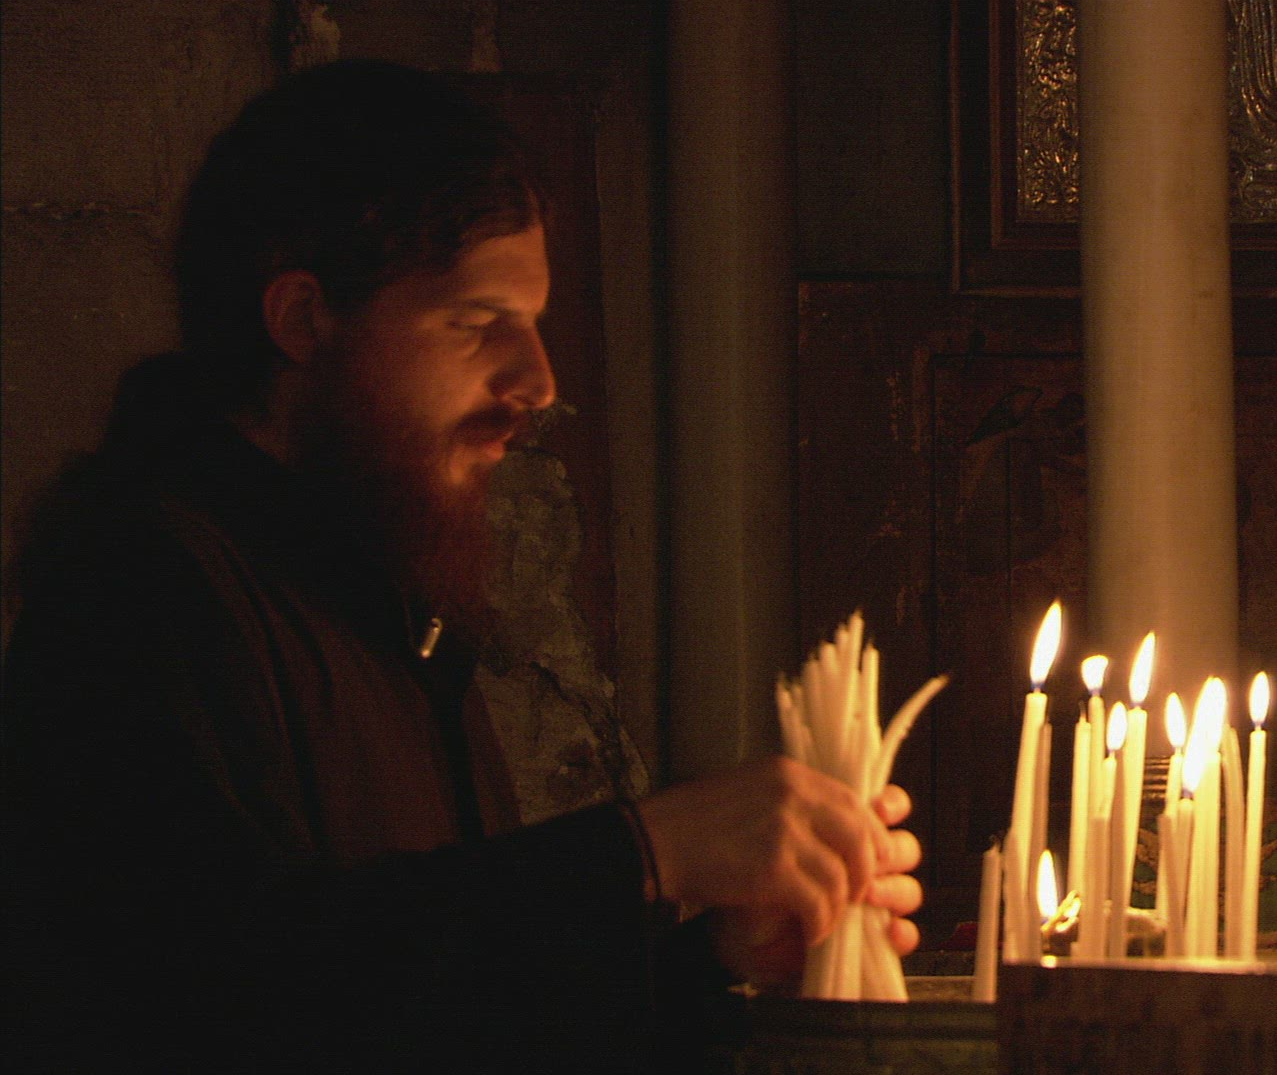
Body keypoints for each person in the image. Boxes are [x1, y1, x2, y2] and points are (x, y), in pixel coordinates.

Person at [0, 60, 920, 1070]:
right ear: (304, 320)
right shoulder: (134, 589)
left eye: (535, 326)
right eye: (479, 326)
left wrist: (710, 963)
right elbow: (217, 991)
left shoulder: (381, 587)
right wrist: (648, 852)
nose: (539, 382)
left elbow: (440, 1009)